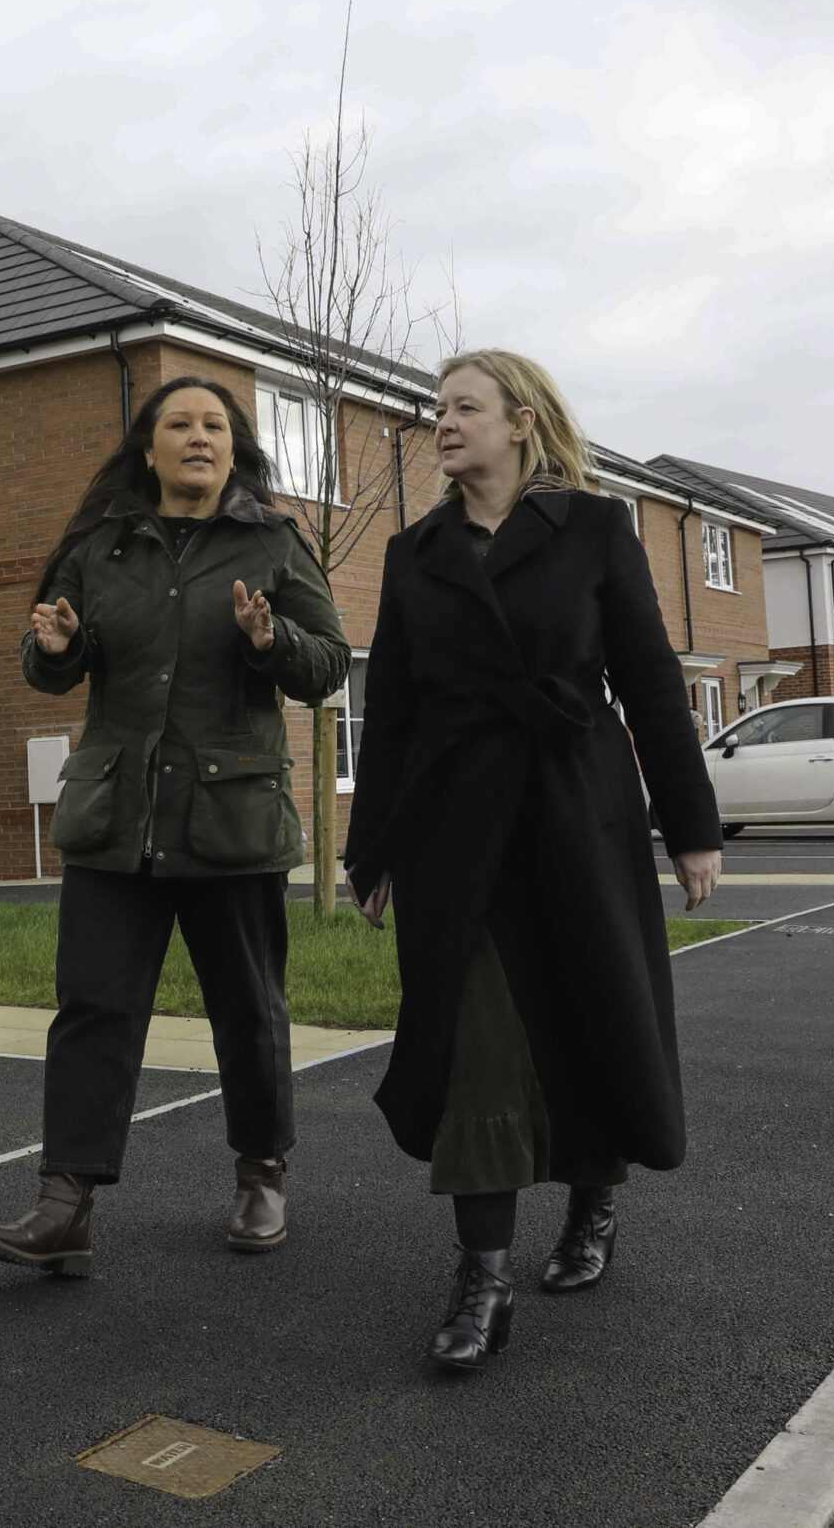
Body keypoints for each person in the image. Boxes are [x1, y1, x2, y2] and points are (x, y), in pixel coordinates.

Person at [343, 350, 722, 1371]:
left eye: (464, 406)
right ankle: (483, 1276)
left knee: (591, 1006)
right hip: (454, 824)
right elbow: (392, 715)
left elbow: (651, 682)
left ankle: (595, 1200)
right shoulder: (414, 552)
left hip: (574, 805)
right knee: (475, 1037)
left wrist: (690, 828)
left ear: (520, 422)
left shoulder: (595, 528)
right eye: (437, 408)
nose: (442, 422)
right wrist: (369, 849)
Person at [0, 376, 350, 1276]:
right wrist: (55, 647)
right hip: (117, 823)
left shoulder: (273, 542)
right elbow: (47, 659)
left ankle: (262, 1174)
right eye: (179, 423)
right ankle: (64, 1203)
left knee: (248, 1012)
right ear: (150, 447)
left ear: (234, 447)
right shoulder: (101, 546)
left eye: (215, 424)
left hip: (231, 821)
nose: (198, 436)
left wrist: (270, 642)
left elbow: (329, 663)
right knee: (92, 1010)